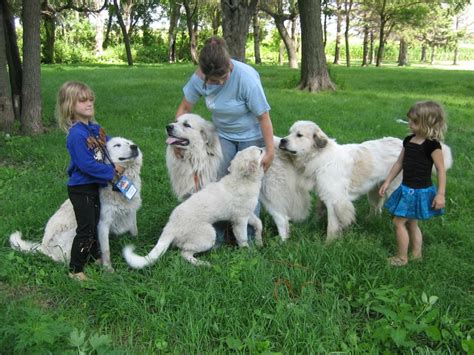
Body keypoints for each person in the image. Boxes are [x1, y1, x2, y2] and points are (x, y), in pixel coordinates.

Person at [175, 36, 274, 243]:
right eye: (213, 81)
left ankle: (246, 237)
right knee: (219, 184)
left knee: (248, 184)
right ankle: (218, 235)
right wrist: (178, 139)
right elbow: (184, 108)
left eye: (223, 77)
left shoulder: (246, 79)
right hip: (224, 134)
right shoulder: (200, 77)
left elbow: (264, 117)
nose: (219, 83)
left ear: (229, 65)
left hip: (251, 135)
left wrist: (270, 151)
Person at [56, 81, 124, 280]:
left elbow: (109, 146)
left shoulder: (95, 129)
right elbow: (86, 165)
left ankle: (94, 257)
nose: (89, 103)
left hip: (94, 186)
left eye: (90, 99)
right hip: (81, 188)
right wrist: (112, 172)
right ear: (70, 106)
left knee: (96, 223)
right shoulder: (76, 135)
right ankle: (76, 270)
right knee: (86, 229)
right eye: (82, 100)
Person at [379, 100, 447, 267]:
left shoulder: (432, 145)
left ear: (427, 124)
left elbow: (441, 169)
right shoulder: (408, 140)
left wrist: (440, 194)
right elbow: (399, 163)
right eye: (410, 120)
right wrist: (387, 181)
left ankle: (402, 258)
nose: (409, 123)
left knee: (398, 222)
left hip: (419, 191)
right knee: (411, 222)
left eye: (414, 122)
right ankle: (417, 255)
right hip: (406, 188)